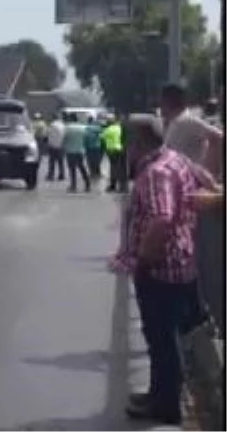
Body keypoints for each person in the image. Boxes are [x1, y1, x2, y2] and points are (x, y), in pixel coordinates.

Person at [110, 114, 205, 427]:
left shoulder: (155, 173)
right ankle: (158, 394)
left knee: (162, 340)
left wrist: (142, 262)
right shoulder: (174, 159)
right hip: (179, 262)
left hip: (161, 268)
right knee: (161, 337)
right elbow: (204, 177)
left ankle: (165, 405)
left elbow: (162, 219)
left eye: (128, 140)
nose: (125, 147)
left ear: (139, 142)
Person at [62, 112, 90, 193]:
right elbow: (86, 138)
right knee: (82, 167)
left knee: (72, 169)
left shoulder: (67, 128)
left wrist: (64, 147)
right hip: (80, 151)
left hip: (70, 151)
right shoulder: (83, 127)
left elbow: (64, 139)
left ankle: (73, 186)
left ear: (70, 119)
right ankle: (87, 184)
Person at [101, 115, 126, 192]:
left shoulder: (108, 130)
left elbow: (102, 138)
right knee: (120, 168)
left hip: (111, 151)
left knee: (113, 168)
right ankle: (121, 186)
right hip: (120, 149)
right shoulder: (119, 128)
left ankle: (113, 185)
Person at [45, 114, 66, 182]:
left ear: (53, 118)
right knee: (61, 161)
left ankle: (51, 175)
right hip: (61, 146)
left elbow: (47, 134)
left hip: (52, 146)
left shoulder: (51, 125)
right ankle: (61, 175)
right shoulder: (63, 125)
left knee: (52, 162)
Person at [84, 116, 105, 181]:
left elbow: (85, 138)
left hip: (89, 147)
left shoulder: (86, 128)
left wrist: (84, 146)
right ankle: (98, 172)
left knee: (90, 160)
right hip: (97, 147)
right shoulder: (98, 128)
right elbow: (102, 135)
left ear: (88, 121)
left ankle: (92, 173)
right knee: (97, 160)